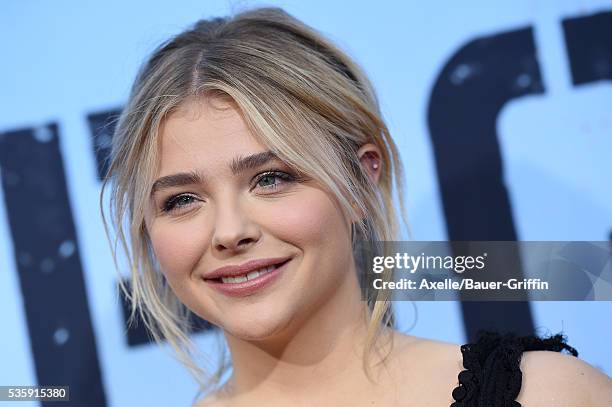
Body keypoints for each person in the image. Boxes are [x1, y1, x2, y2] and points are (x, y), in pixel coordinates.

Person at [100, 7, 612, 407]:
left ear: (363, 174)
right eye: (183, 200)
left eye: (271, 178)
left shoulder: (544, 396)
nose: (229, 231)